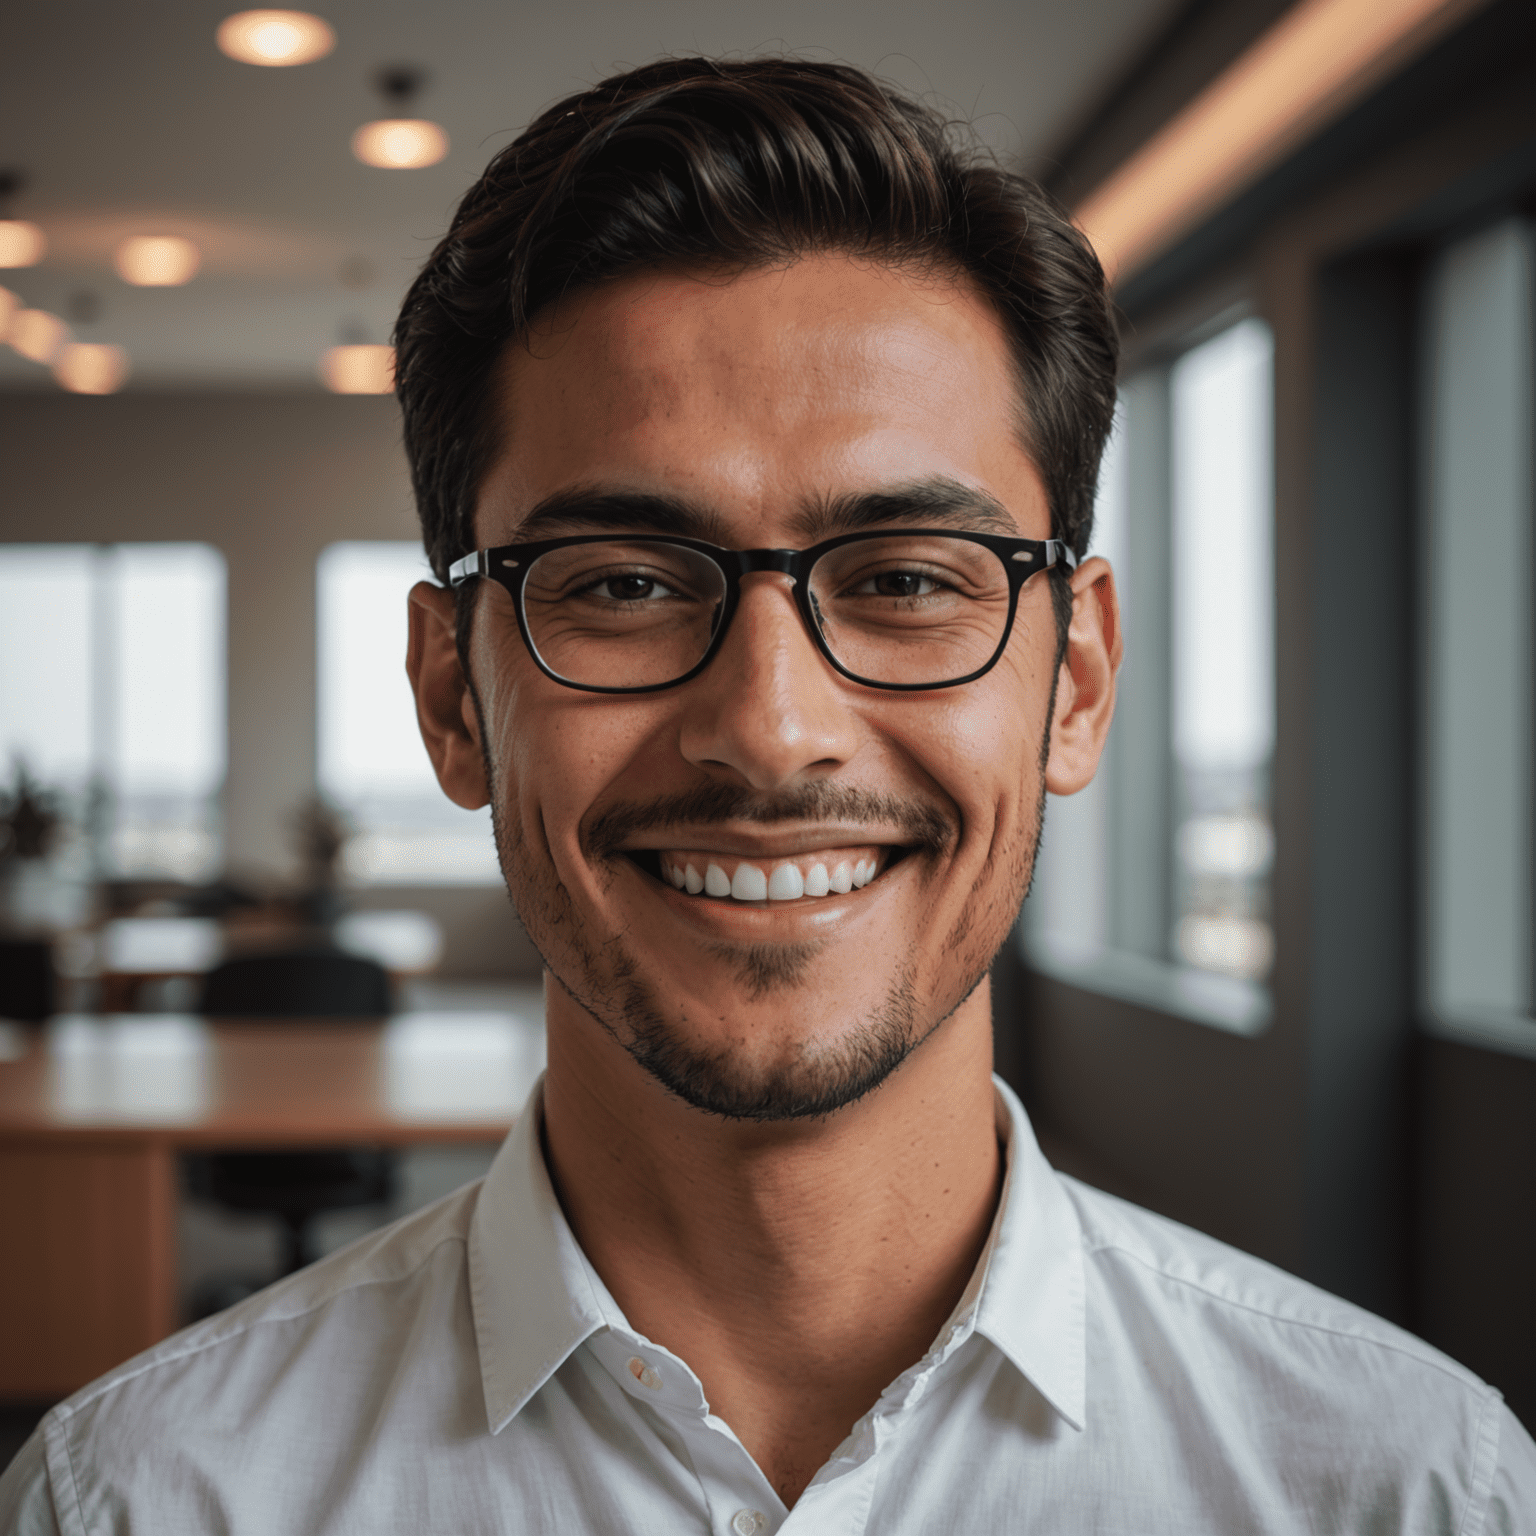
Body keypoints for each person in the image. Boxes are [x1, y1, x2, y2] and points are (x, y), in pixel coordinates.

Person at [3, 56, 1532, 1536]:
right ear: (450, 697)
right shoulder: (139, 1503)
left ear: (1072, 683)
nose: (771, 727)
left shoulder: (1415, 1492)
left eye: (910, 580)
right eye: (619, 583)